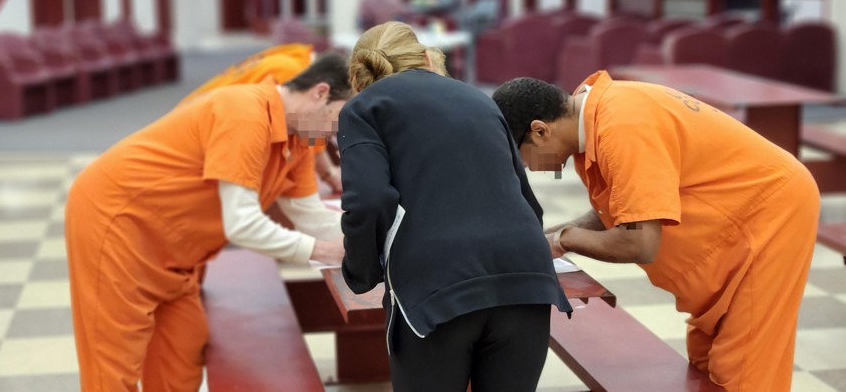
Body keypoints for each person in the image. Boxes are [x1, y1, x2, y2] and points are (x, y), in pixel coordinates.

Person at [491, 72, 820, 392]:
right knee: (706, 358)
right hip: (738, 220)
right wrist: (559, 231)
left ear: (540, 131)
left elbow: (639, 242)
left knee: (741, 369)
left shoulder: (622, 127)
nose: (528, 169)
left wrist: (564, 241)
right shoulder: (595, 121)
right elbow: (627, 206)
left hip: (770, 216)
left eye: (521, 159)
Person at [64, 54, 353, 391]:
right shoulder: (245, 113)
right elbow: (242, 225)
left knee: (182, 351)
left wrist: (372, 243)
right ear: (320, 93)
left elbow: (312, 217)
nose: (336, 135)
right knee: (113, 369)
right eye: (339, 119)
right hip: (117, 223)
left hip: (177, 249)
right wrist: (324, 251)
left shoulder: (301, 140)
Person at [338, 21, 572, 392]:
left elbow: (369, 200)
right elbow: (526, 200)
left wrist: (361, 272)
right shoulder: (478, 98)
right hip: (526, 279)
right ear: (422, 56)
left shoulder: (364, 108)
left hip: (436, 287)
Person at [180, 43, 344, 193]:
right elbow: (309, 133)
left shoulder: (295, 55)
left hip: (193, 121)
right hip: (193, 145)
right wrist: (330, 174)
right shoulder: (290, 72)